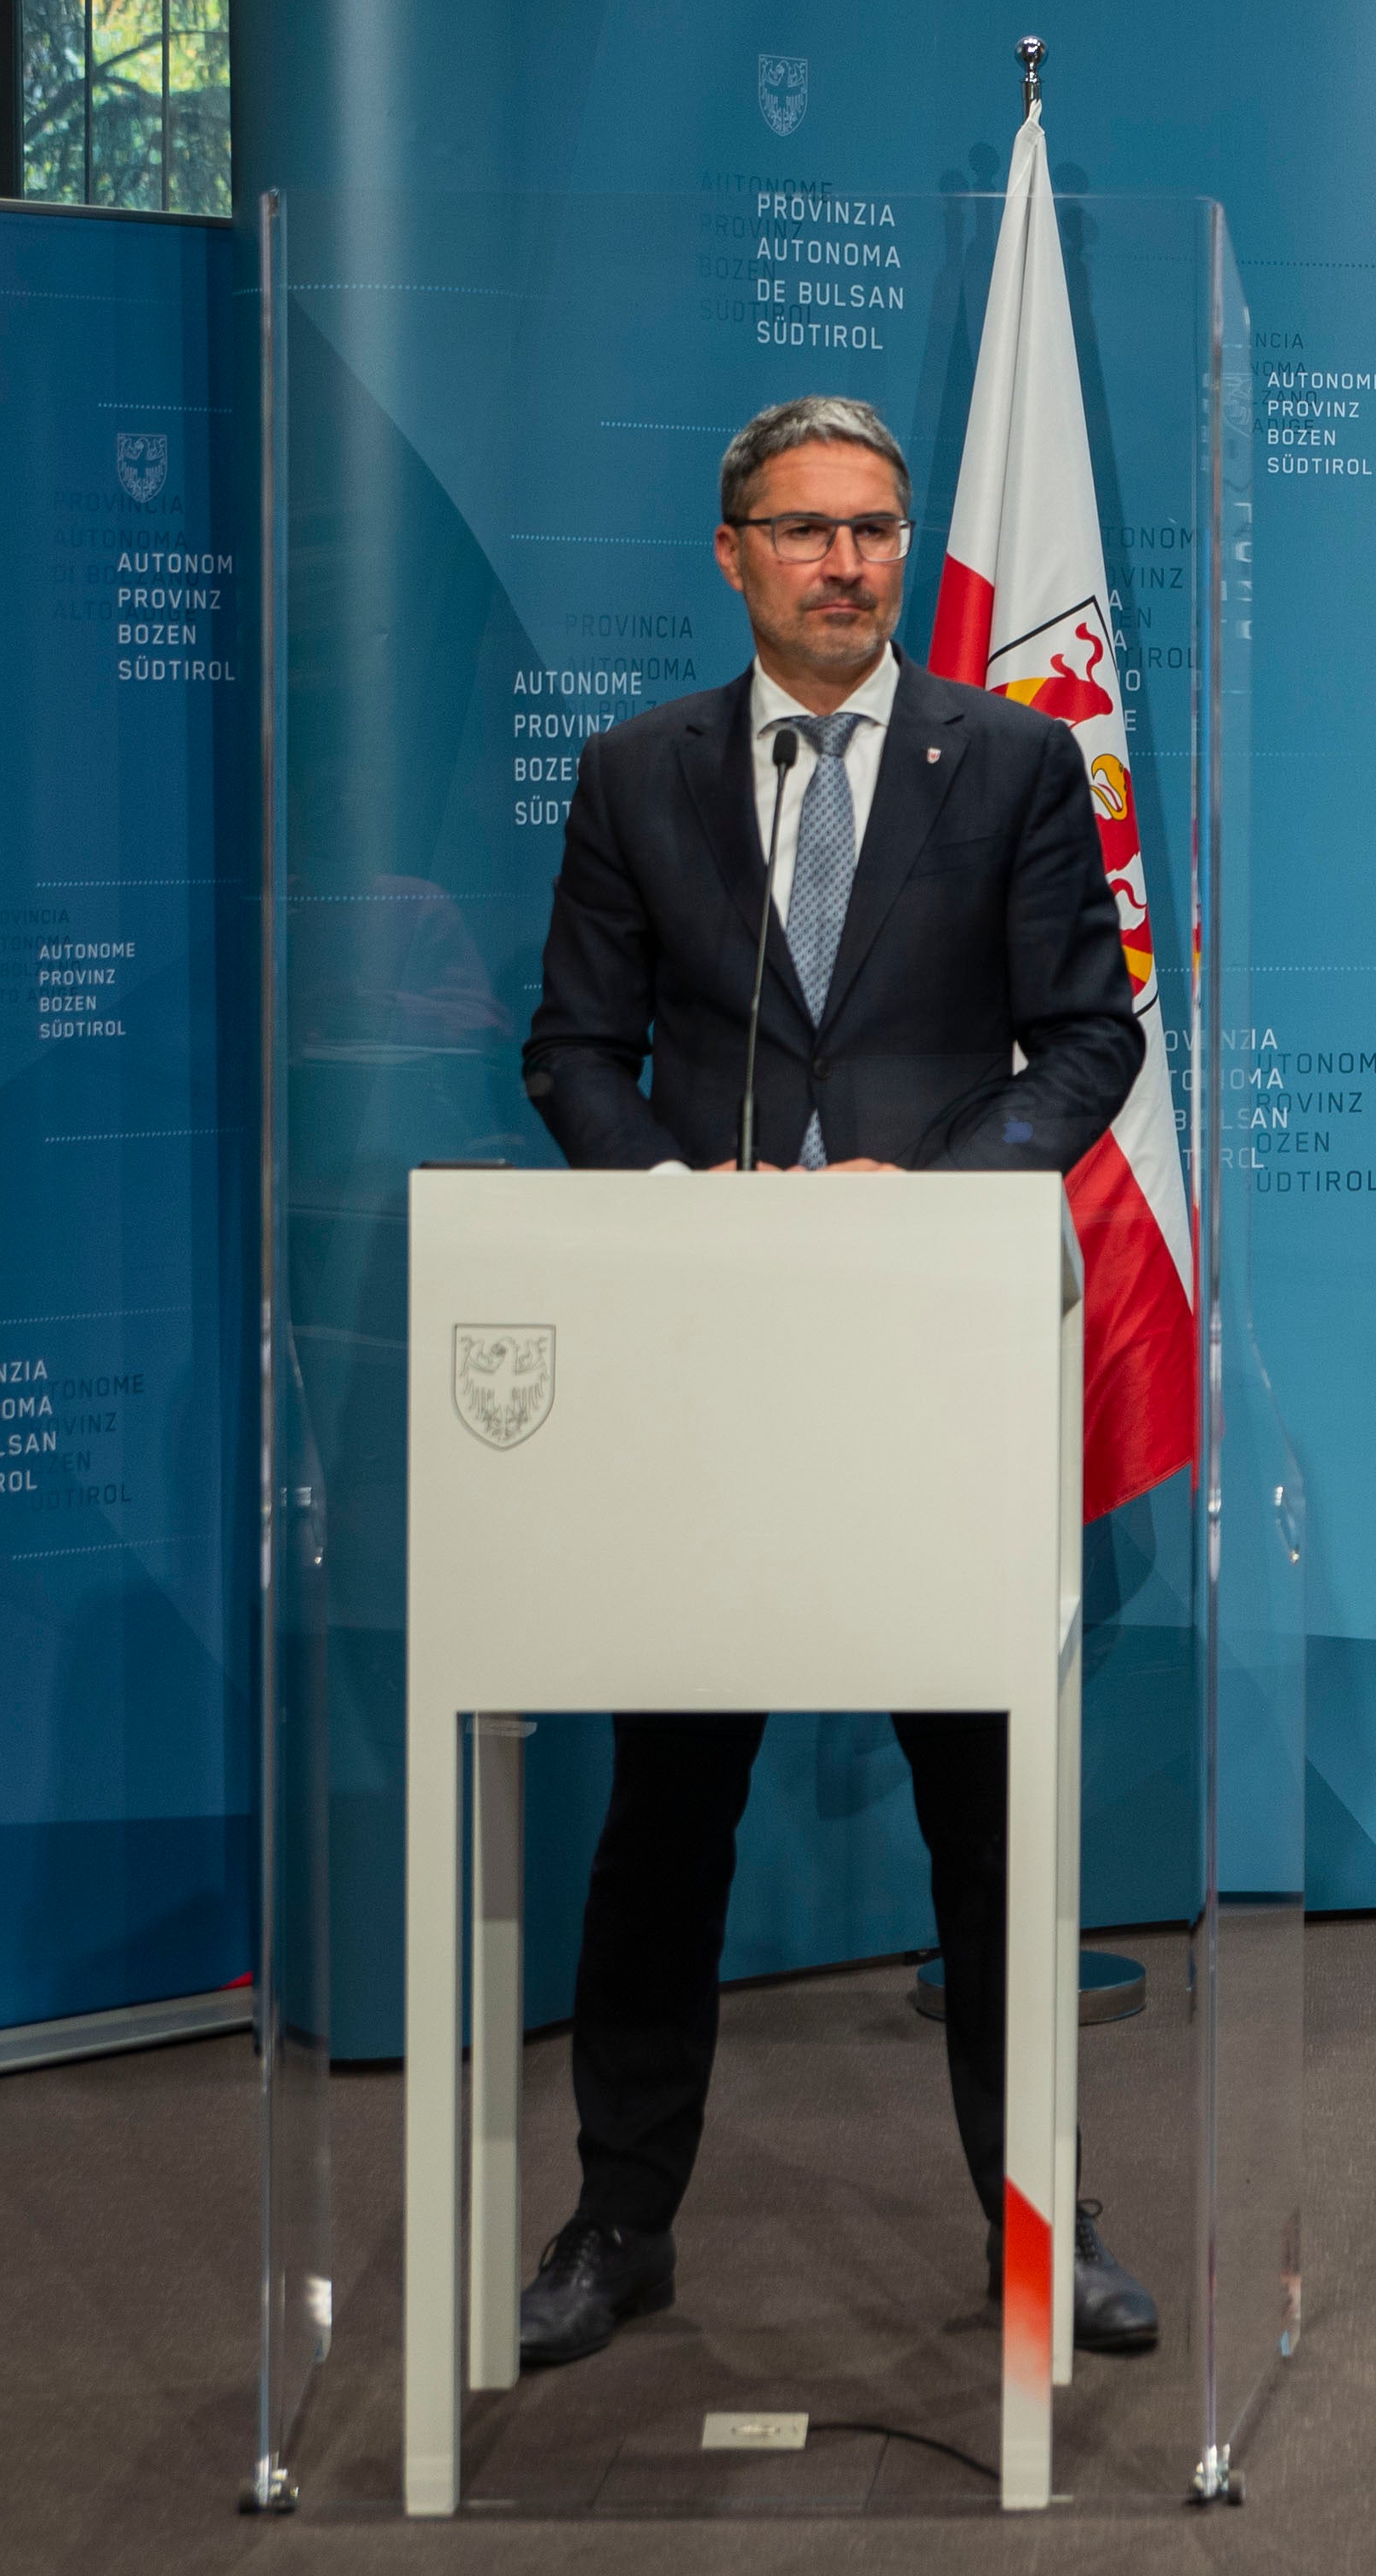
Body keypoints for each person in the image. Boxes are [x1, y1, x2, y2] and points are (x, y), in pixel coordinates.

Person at [509, 390, 1158, 2368]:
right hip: (708, 1371)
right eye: (805, 530)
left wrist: (929, 1201)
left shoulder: (1014, 761)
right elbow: (571, 1052)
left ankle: (1039, 2223)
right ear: (733, 554)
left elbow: (1089, 1038)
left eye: (875, 528)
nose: (847, 563)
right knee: (664, 1821)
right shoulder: (635, 773)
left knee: (988, 1820)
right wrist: (683, 1204)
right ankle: (620, 2223)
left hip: (933, 1361)